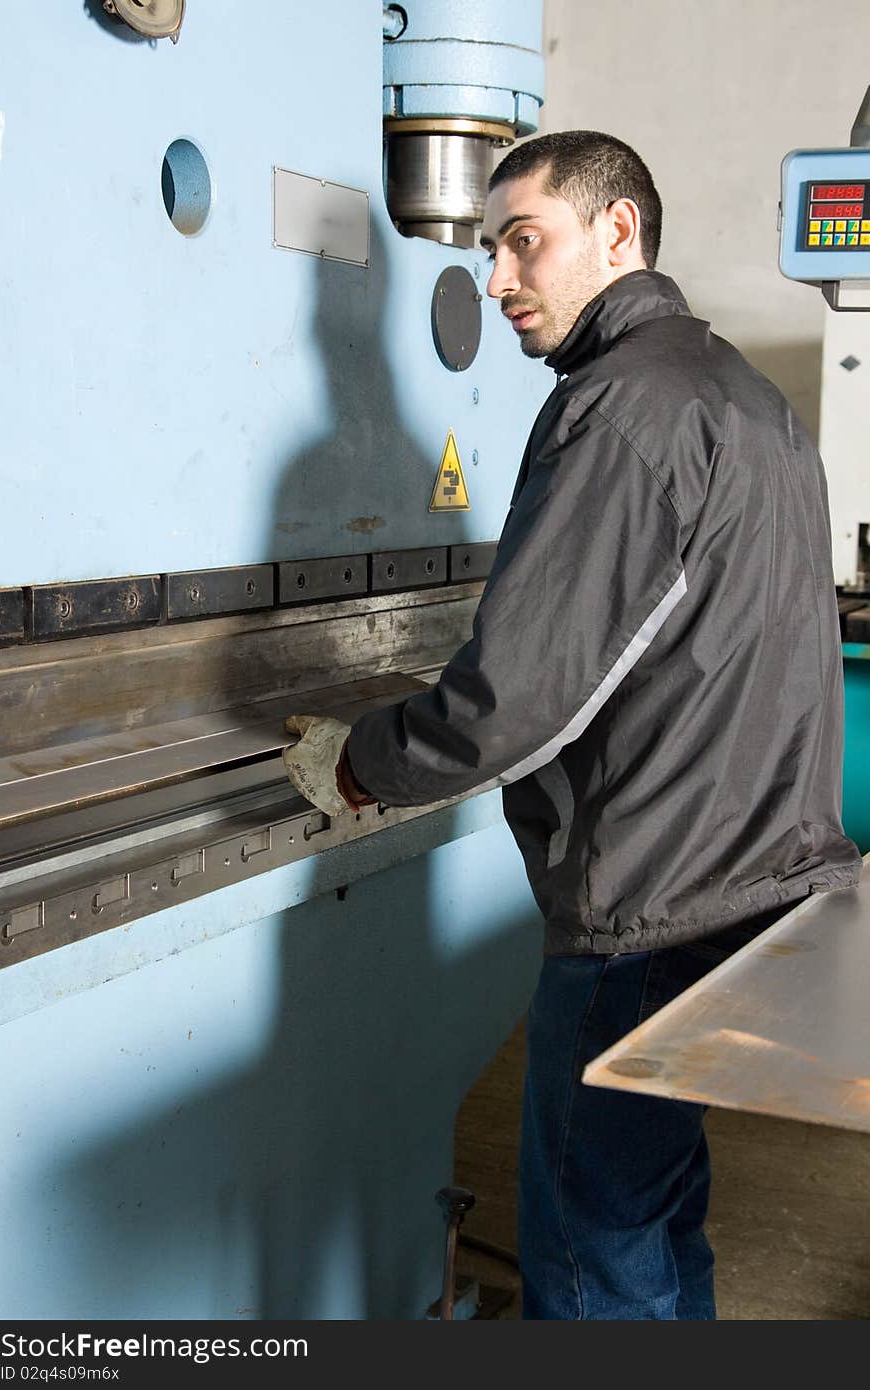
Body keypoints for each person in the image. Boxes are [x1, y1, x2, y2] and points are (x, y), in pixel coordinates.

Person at [282, 131, 862, 1319]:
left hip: (641, 911)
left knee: (593, 1252)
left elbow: (514, 702)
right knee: (648, 1221)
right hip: (749, 889)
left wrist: (359, 759)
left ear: (618, 232)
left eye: (523, 241)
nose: (496, 278)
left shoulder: (617, 410)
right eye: (491, 246)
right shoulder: (743, 396)